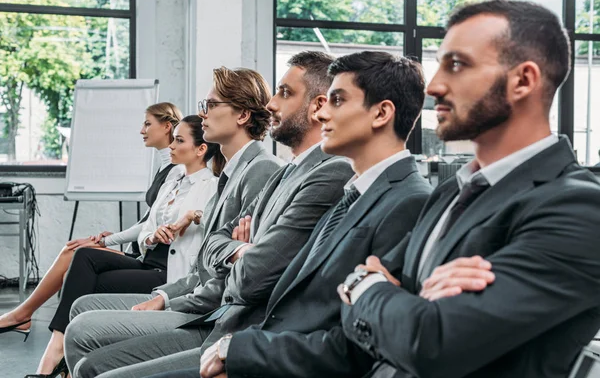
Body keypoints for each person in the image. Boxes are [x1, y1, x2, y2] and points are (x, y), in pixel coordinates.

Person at [335, 0, 600, 378]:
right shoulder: (448, 194)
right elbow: (365, 298)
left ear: (523, 80)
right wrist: (375, 286)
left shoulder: (579, 208)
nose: (434, 85)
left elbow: (431, 343)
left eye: (456, 65)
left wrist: (364, 286)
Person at [64, 51, 356, 378]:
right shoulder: (277, 172)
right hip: (214, 307)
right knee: (84, 326)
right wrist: (239, 249)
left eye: (285, 93)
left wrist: (230, 257)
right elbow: (214, 246)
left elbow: (248, 278)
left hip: (226, 316)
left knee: (86, 337)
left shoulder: (277, 170)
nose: (272, 104)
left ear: (243, 115)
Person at [160, 51, 433, 378]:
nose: (323, 113)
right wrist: (243, 253)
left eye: (337, 100)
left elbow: (358, 338)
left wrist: (246, 351)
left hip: (278, 357)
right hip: (259, 342)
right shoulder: (356, 190)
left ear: (381, 113)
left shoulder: (407, 200)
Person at [24, 115, 223, 378]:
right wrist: (150, 237)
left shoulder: (210, 185)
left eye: (179, 140)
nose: (171, 145)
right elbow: (147, 226)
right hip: (148, 259)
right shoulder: (173, 177)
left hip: (169, 274)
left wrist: (192, 216)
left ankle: (58, 357)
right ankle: (59, 348)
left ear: (200, 149)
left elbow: (213, 220)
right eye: (173, 139)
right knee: (84, 256)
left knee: (90, 284)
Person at [0, 102, 182, 355]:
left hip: (151, 258)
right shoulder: (166, 167)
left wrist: (109, 242)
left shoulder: (179, 172)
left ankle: (28, 319)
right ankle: (36, 324)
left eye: (147, 124)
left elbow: (153, 227)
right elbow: (148, 222)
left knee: (74, 255)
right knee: (71, 251)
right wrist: (111, 237)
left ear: (166, 126)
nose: (142, 130)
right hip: (142, 251)